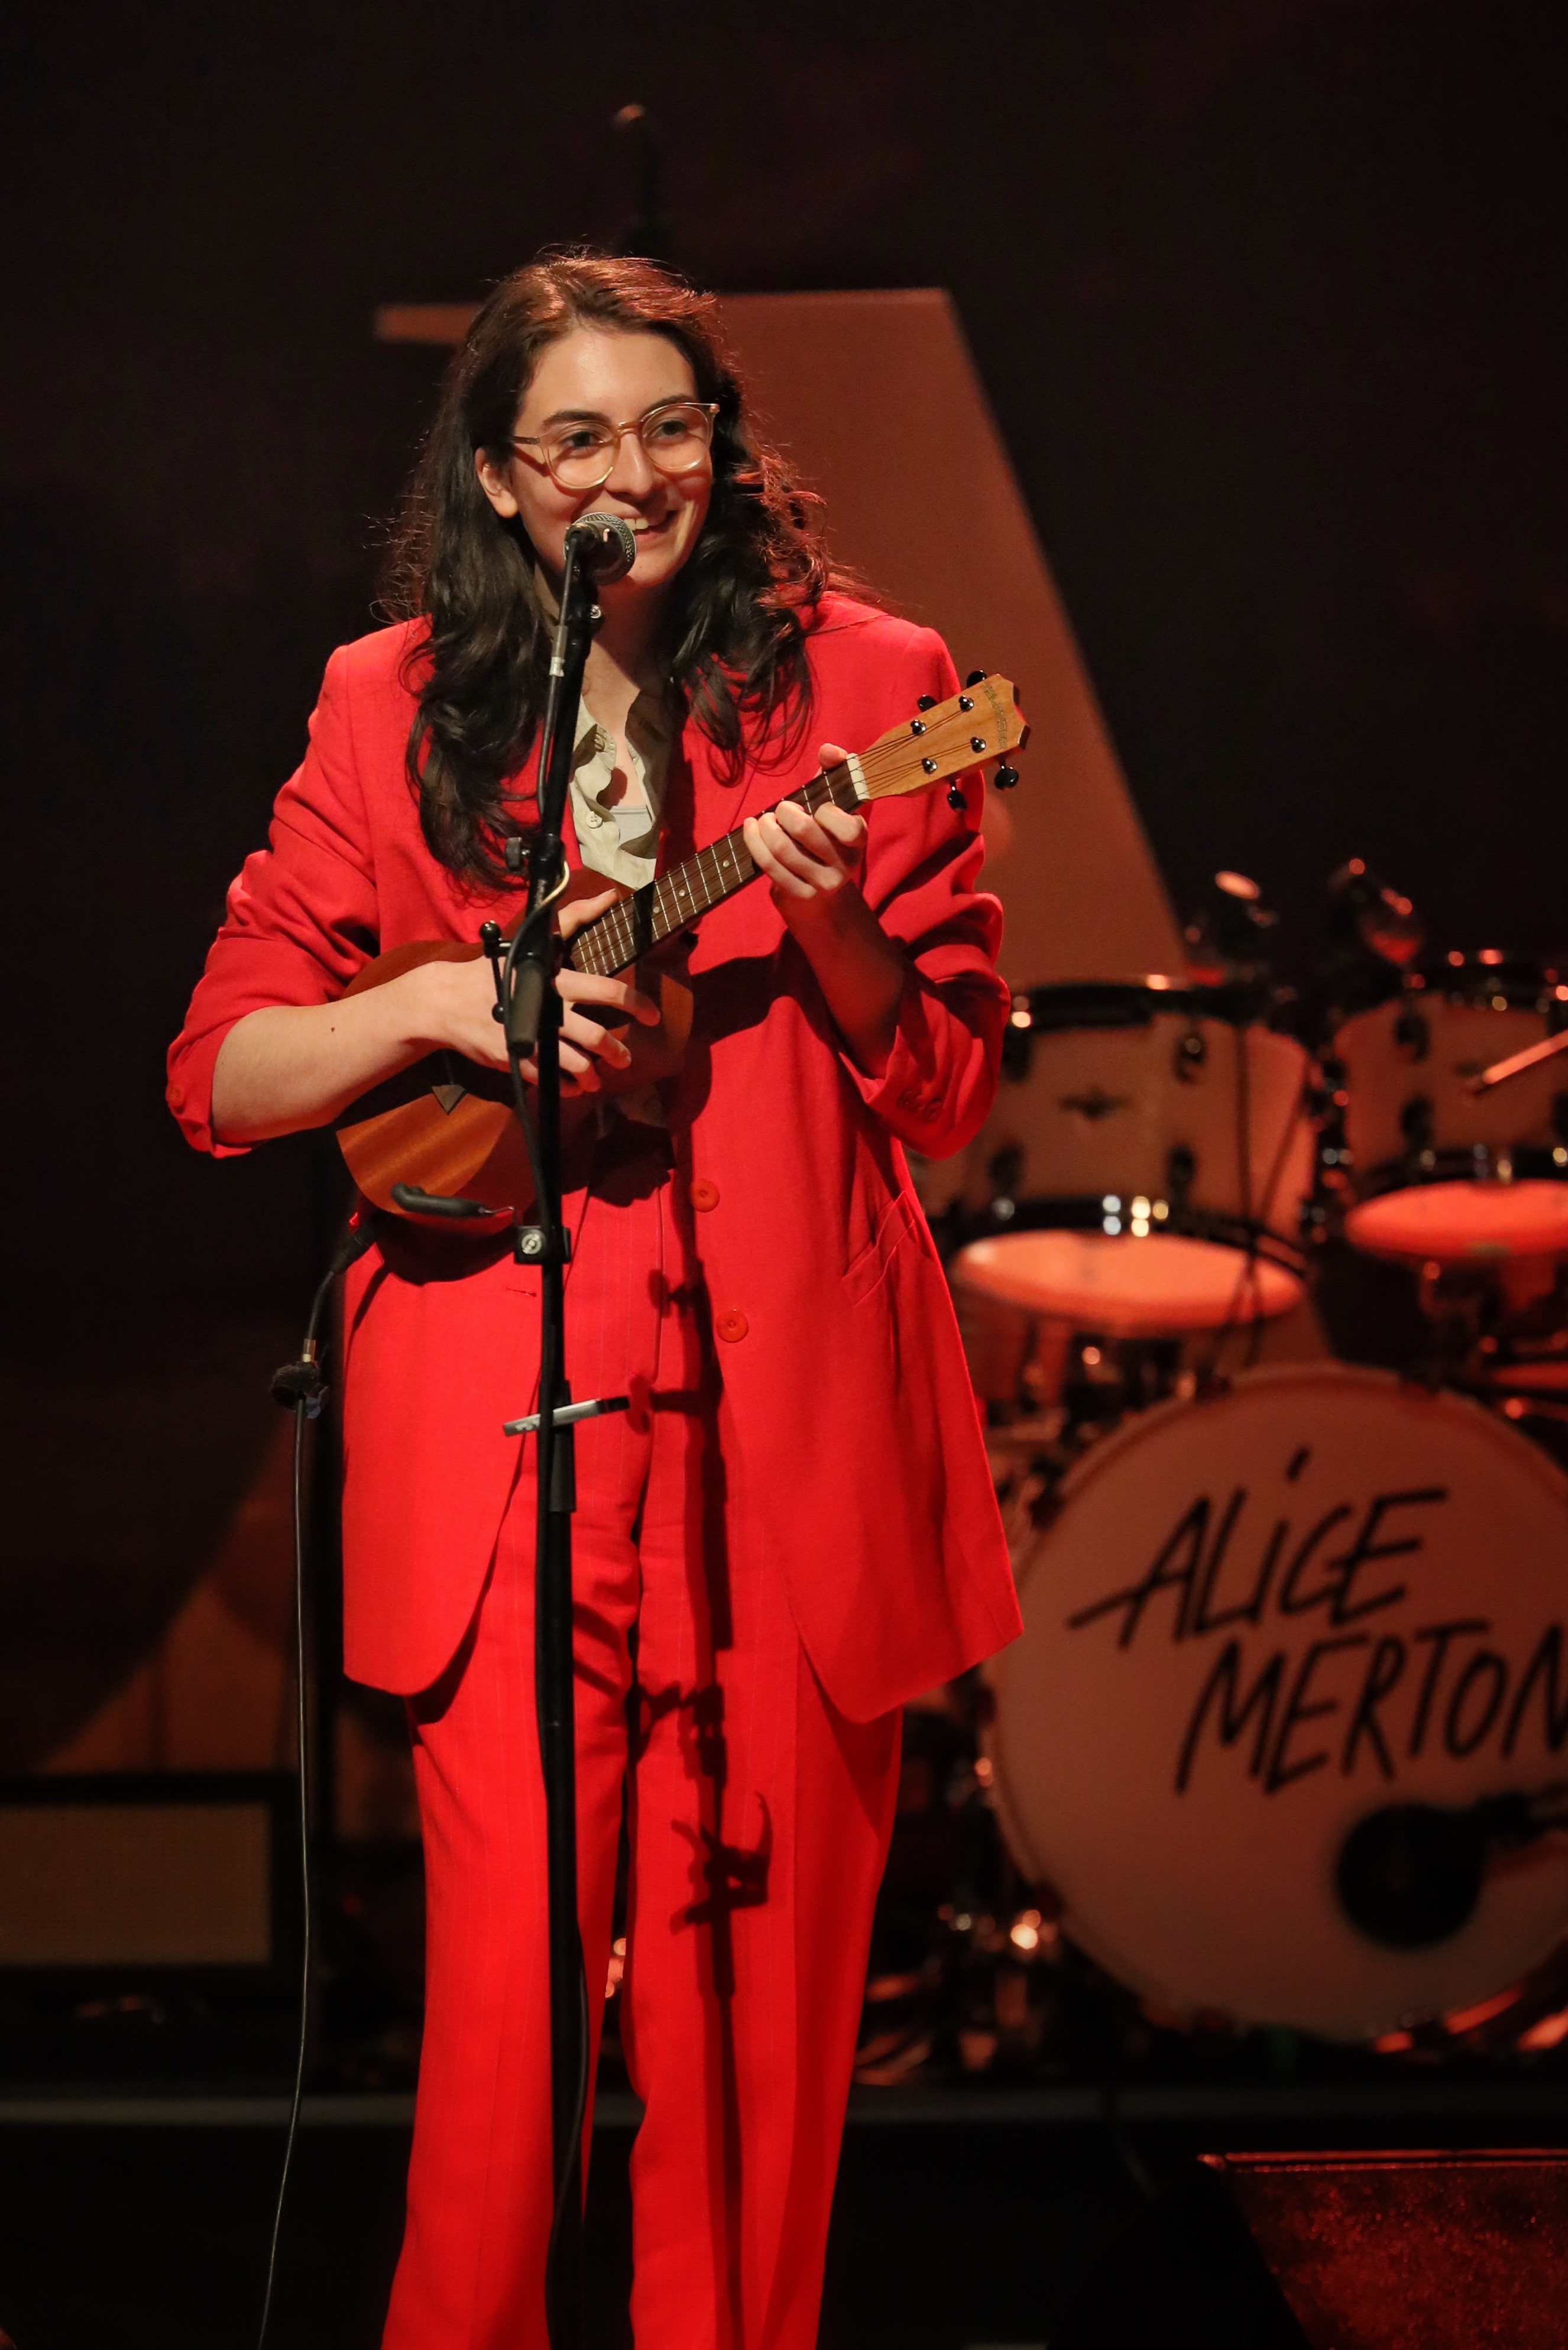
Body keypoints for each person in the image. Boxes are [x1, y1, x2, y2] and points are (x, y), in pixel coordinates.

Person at [169, 252, 1021, 2350]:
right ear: (497, 473)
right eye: (576, 437)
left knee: (750, 2041)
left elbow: (944, 1089)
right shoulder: (391, 703)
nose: (631, 471)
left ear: (723, 451)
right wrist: (445, 996)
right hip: (502, 1428)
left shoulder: (880, 680)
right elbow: (222, 1073)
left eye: (672, 426)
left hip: (784, 1437)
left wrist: (828, 942)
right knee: (499, 2041)